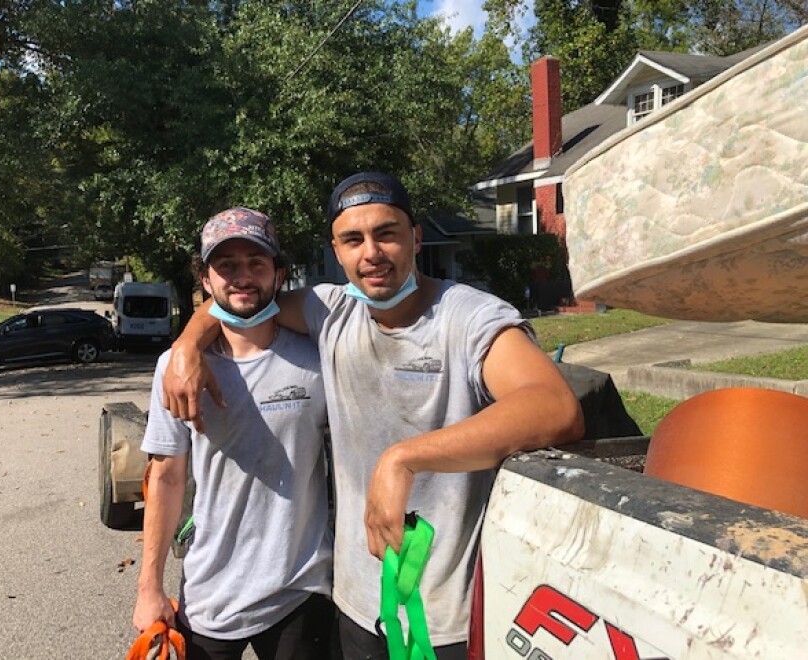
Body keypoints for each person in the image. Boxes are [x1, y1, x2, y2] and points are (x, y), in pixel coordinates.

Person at [162, 173, 584, 658]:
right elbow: (240, 299)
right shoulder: (331, 311)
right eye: (352, 239)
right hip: (357, 608)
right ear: (336, 251)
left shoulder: (468, 317)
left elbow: (555, 407)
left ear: (416, 238)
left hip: (448, 618)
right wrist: (187, 345)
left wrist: (404, 459)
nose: (372, 253)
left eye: (386, 233)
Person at [133, 207, 334, 659]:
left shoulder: (317, 358)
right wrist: (149, 586)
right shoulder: (174, 369)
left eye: (256, 263)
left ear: (279, 274)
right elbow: (165, 477)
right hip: (210, 595)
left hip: (299, 590)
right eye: (227, 266)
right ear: (205, 278)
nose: (242, 277)